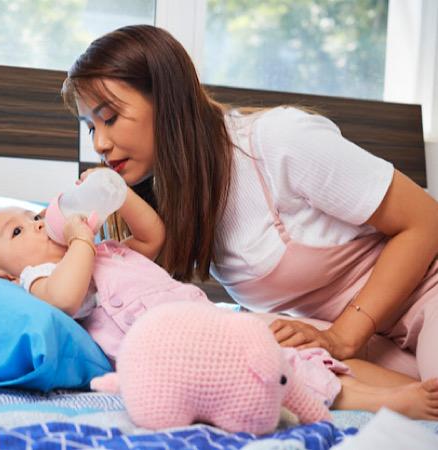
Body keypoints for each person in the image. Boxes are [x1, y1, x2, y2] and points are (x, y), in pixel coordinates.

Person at [60, 24, 438, 382]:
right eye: (91, 127)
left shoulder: (278, 141)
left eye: (109, 118)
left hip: (423, 299)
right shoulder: (174, 200)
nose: (99, 145)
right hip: (368, 340)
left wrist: (345, 336)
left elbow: (426, 220)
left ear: (168, 100)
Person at [0, 187, 438, 420]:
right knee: (282, 369)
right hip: (183, 355)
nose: (38, 224)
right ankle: (391, 404)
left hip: (211, 326)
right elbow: (66, 298)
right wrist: (80, 241)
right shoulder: (41, 279)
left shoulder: (106, 251)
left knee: (310, 353)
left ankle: (417, 389)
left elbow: (154, 234)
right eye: (18, 230)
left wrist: (115, 192)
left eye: (34, 215)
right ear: (4, 275)